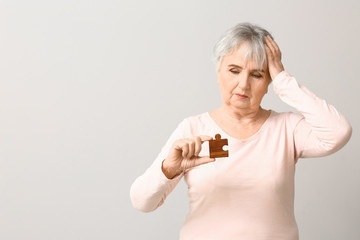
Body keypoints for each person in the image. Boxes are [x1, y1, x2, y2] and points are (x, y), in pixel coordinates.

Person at [129, 22, 352, 240]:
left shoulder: (287, 129)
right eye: (234, 70)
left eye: (257, 75)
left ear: (269, 83)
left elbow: (338, 132)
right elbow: (142, 202)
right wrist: (168, 169)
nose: (243, 84)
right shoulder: (193, 128)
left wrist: (284, 80)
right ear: (218, 72)